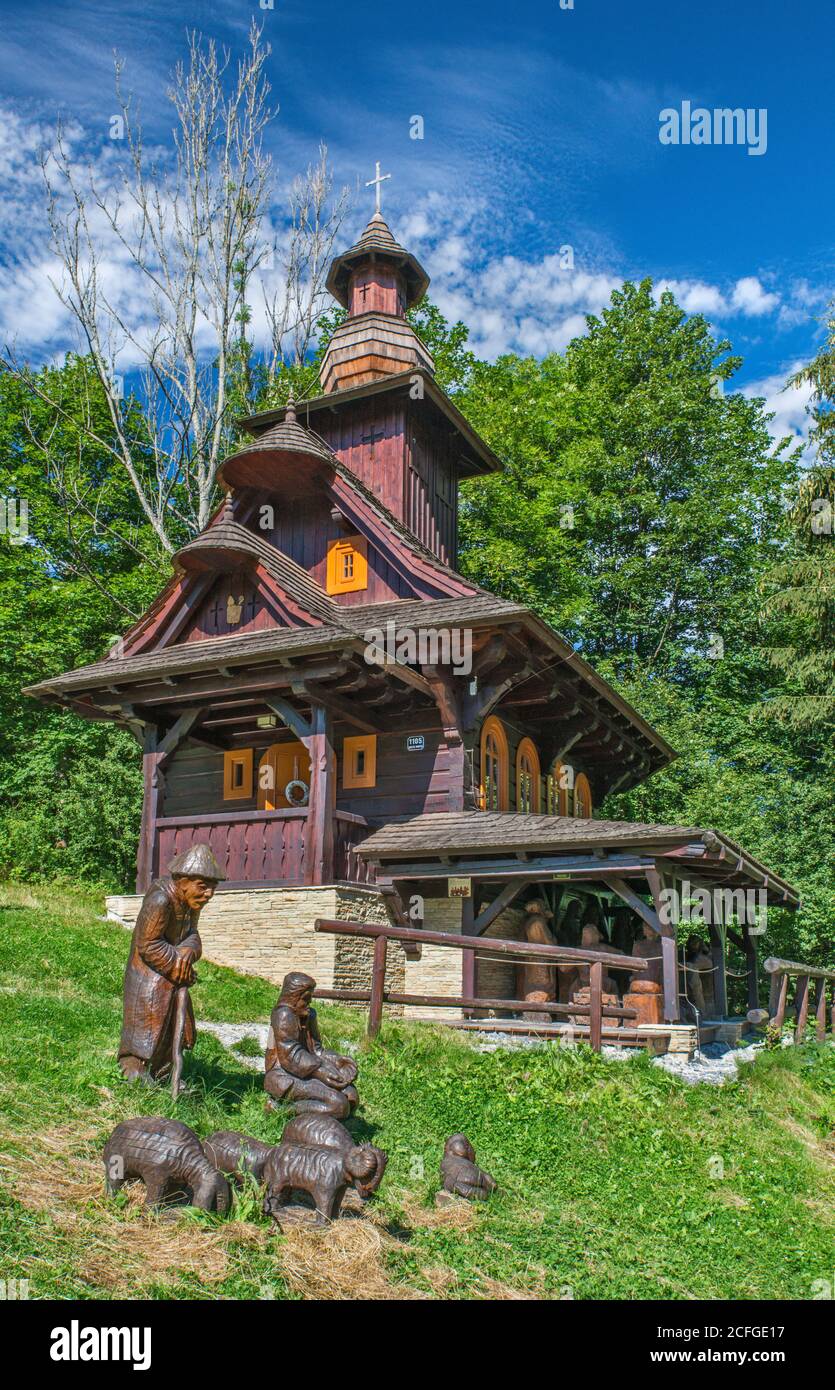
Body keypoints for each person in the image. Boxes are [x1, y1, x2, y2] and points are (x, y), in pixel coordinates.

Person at [118, 844, 223, 1083]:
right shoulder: (160, 899)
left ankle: (164, 1072)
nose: (208, 894)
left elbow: (192, 934)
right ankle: (134, 1068)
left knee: (171, 1022)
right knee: (148, 1024)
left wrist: (188, 952)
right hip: (148, 976)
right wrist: (178, 965)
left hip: (170, 976)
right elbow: (148, 944)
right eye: (203, 887)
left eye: (212, 888)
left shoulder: (189, 902)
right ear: (183, 881)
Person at [264, 972, 359, 1118]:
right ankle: (281, 1111)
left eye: (310, 998)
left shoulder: (309, 1015)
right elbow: (290, 1056)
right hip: (283, 1075)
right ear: (293, 998)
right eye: (305, 999)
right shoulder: (284, 1015)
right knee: (338, 1105)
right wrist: (320, 1071)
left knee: (351, 1096)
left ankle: (332, 1125)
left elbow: (317, 1050)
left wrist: (337, 1061)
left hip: (308, 1069)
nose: (309, 1003)